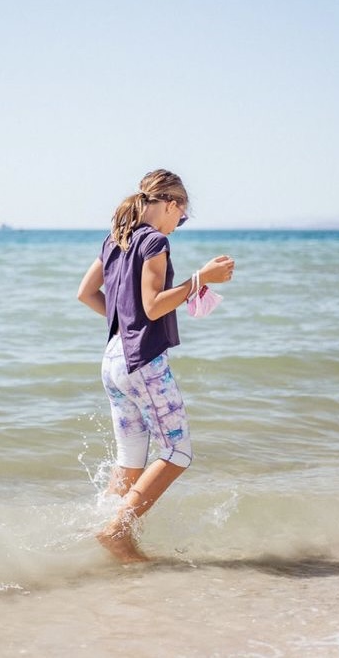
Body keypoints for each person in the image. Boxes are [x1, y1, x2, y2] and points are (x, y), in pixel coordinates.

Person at [77, 169, 234, 562]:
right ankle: (117, 530)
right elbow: (152, 305)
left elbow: (85, 293)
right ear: (171, 205)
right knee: (177, 451)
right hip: (142, 362)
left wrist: (124, 327)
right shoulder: (154, 240)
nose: (178, 225)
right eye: (180, 218)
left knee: (131, 456)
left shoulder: (115, 239)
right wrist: (202, 278)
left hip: (113, 358)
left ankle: (108, 530)